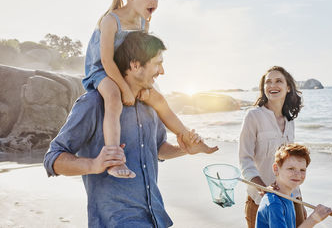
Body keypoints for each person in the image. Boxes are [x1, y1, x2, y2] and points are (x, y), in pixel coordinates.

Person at [44, 31, 217, 227]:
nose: (162, 71)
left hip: (155, 219)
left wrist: (185, 150)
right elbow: (53, 159)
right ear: (135, 65)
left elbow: (158, 148)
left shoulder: (150, 107)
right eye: (157, 63)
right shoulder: (93, 104)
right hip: (115, 221)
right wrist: (94, 164)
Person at [82, 0, 208, 178]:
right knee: (113, 98)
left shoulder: (143, 22)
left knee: (157, 97)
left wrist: (144, 86)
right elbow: (106, 60)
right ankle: (114, 159)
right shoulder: (110, 20)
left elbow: (143, 56)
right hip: (101, 71)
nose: (154, 2)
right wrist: (125, 89)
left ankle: (187, 138)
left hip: (126, 72)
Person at [239, 66, 305, 228]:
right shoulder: (253, 116)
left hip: (291, 198)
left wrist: (299, 200)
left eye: (278, 81)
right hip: (260, 200)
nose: (272, 85)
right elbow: (244, 159)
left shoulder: (290, 121)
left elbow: (291, 164)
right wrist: (264, 188)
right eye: (268, 82)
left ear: (288, 87)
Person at [256, 143, 332, 228]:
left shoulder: (289, 196)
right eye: (291, 169)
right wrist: (313, 219)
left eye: (302, 170)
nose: (297, 174)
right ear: (276, 169)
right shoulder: (274, 204)